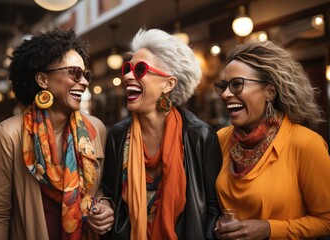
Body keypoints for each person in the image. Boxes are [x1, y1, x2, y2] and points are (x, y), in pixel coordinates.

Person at [0, 28, 114, 240]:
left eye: (86, 74)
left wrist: (105, 206)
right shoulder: (10, 134)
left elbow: (99, 191)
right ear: (43, 80)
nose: (84, 81)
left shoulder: (95, 129)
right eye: (74, 72)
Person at [101, 28, 223, 240]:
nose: (128, 76)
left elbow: (213, 208)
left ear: (168, 84)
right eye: (128, 68)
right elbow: (110, 197)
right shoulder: (117, 136)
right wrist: (103, 208)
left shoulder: (200, 136)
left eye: (140, 70)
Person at [214, 40, 330, 239]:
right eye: (223, 86)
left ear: (269, 91)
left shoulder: (306, 144)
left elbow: (326, 221)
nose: (225, 94)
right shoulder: (220, 139)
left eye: (236, 84)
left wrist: (269, 229)